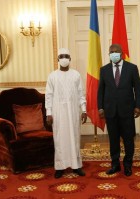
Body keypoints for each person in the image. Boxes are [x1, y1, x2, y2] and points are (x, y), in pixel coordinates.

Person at [97, 44, 140, 177]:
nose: (114, 54)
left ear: (122, 54)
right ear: (109, 54)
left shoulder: (132, 68)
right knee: (113, 139)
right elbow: (101, 90)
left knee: (128, 139)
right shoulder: (104, 70)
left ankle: (128, 164)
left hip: (127, 110)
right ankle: (115, 165)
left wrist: (138, 106)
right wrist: (100, 107)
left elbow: (138, 88)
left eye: (116, 51)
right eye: (111, 52)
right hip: (110, 111)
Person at [45, 48, 87, 179]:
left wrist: (84, 110)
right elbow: (49, 96)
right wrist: (49, 113)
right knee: (59, 139)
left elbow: (81, 94)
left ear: (70, 59)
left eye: (66, 56)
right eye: (61, 56)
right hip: (58, 113)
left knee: (74, 138)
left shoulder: (76, 75)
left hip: (74, 112)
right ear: (58, 59)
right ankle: (60, 167)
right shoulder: (52, 76)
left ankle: (76, 166)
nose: (64, 59)